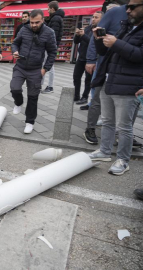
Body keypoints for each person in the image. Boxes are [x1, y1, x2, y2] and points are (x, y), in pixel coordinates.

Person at [88, 0, 143, 175]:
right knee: (108, 122)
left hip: (129, 86)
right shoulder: (126, 27)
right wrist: (99, 40)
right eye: (128, 6)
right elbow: (106, 52)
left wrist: (116, 43)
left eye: (133, 7)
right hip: (109, 80)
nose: (128, 10)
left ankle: (123, 160)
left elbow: (139, 55)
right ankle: (104, 151)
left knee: (124, 126)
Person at [10, 9, 57, 134]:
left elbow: (52, 52)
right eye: (32, 22)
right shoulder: (24, 29)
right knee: (14, 88)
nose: (34, 25)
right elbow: (15, 43)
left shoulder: (49, 32)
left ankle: (29, 122)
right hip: (20, 66)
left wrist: (45, 69)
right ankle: (18, 102)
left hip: (36, 69)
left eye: (37, 22)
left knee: (33, 97)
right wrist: (14, 51)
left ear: (43, 20)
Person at [73, 11, 103, 103]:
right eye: (93, 17)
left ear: (102, 19)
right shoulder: (87, 28)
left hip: (91, 60)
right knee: (76, 77)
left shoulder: (100, 30)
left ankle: (85, 97)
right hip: (81, 57)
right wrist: (77, 35)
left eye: (96, 17)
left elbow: (93, 43)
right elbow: (76, 42)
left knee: (88, 79)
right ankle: (76, 95)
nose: (93, 19)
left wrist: (83, 35)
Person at [41, 1, 64, 94]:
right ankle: (42, 84)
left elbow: (52, 33)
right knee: (46, 65)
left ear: (52, 9)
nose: (47, 10)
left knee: (49, 66)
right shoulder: (55, 18)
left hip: (50, 46)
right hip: (51, 45)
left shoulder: (55, 19)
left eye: (48, 8)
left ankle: (50, 86)